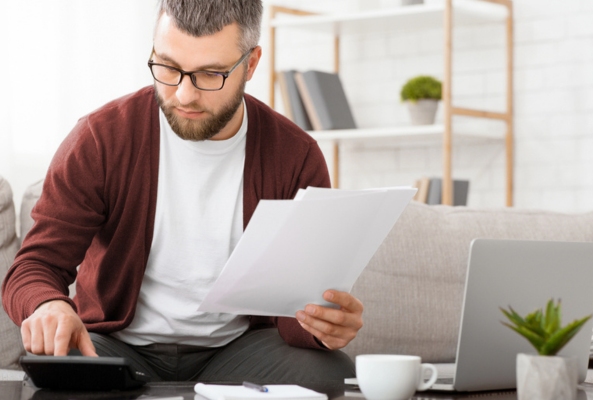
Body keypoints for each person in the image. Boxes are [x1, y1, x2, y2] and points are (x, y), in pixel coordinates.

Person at [1, 0, 363, 384]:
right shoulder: (101, 139)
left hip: (238, 353)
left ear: (251, 64)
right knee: (63, 370)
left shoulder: (295, 155)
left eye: (210, 74)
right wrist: (49, 305)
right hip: (117, 345)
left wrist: (321, 327)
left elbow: (297, 301)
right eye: (169, 68)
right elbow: (33, 267)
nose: (185, 95)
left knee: (330, 374)